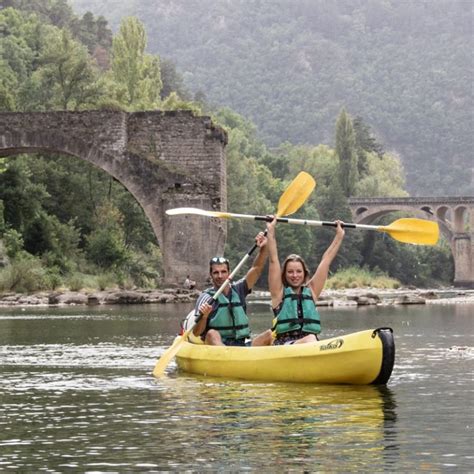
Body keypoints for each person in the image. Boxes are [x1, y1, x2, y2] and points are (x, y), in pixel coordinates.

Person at [266, 216, 345, 345]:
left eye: (298, 271)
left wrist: (339, 235)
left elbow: (326, 261)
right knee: (311, 339)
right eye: (290, 272)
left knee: (311, 339)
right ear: (284, 274)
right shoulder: (279, 294)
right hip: (285, 346)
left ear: (304, 273)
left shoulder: (311, 291)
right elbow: (273, 260)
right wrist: (271, 230)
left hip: (310, 345)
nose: (295, 275)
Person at [192, 231, 273, 346]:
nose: (220, 276)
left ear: (229, 273)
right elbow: (196, 332)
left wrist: (264, 247)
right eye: (216, 273)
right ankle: (228, 360)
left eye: (223, 272)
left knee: (269, 335)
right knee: (212, 334)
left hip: (241, 344)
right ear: (211, 275)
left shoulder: (239, 289)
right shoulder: (206, 298)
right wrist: (204, 317)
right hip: (218, 345)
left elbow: (257, 268)